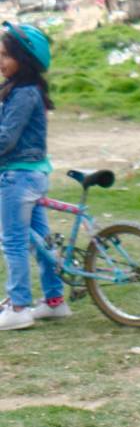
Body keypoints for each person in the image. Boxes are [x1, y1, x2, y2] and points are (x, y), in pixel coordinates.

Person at [0, 22, 69, 331]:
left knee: (13, 241)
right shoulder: (25, 90)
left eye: (6, 55)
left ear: (24, 60)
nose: (0, 61)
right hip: (32, 175)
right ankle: (54, 302)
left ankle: (19, 307)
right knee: (41, 241)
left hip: (18, 177)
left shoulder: (23, 93)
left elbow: (6, 139)